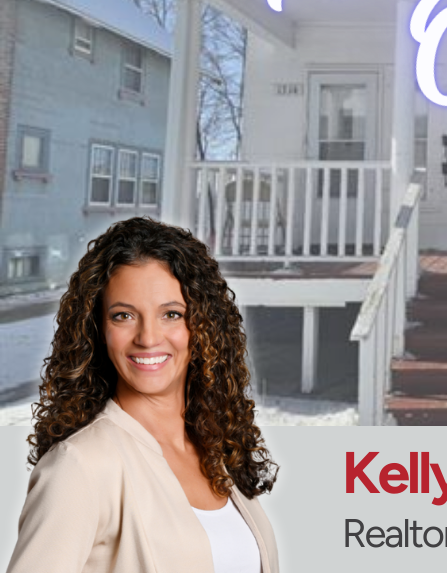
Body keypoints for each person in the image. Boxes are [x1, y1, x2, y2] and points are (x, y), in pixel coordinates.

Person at [6, 216, 279, 573]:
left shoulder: (216, 450)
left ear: (203, 326)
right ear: (98, 328)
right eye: (123, 316)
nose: (148, 338)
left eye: (171, 314)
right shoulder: (81, 466)